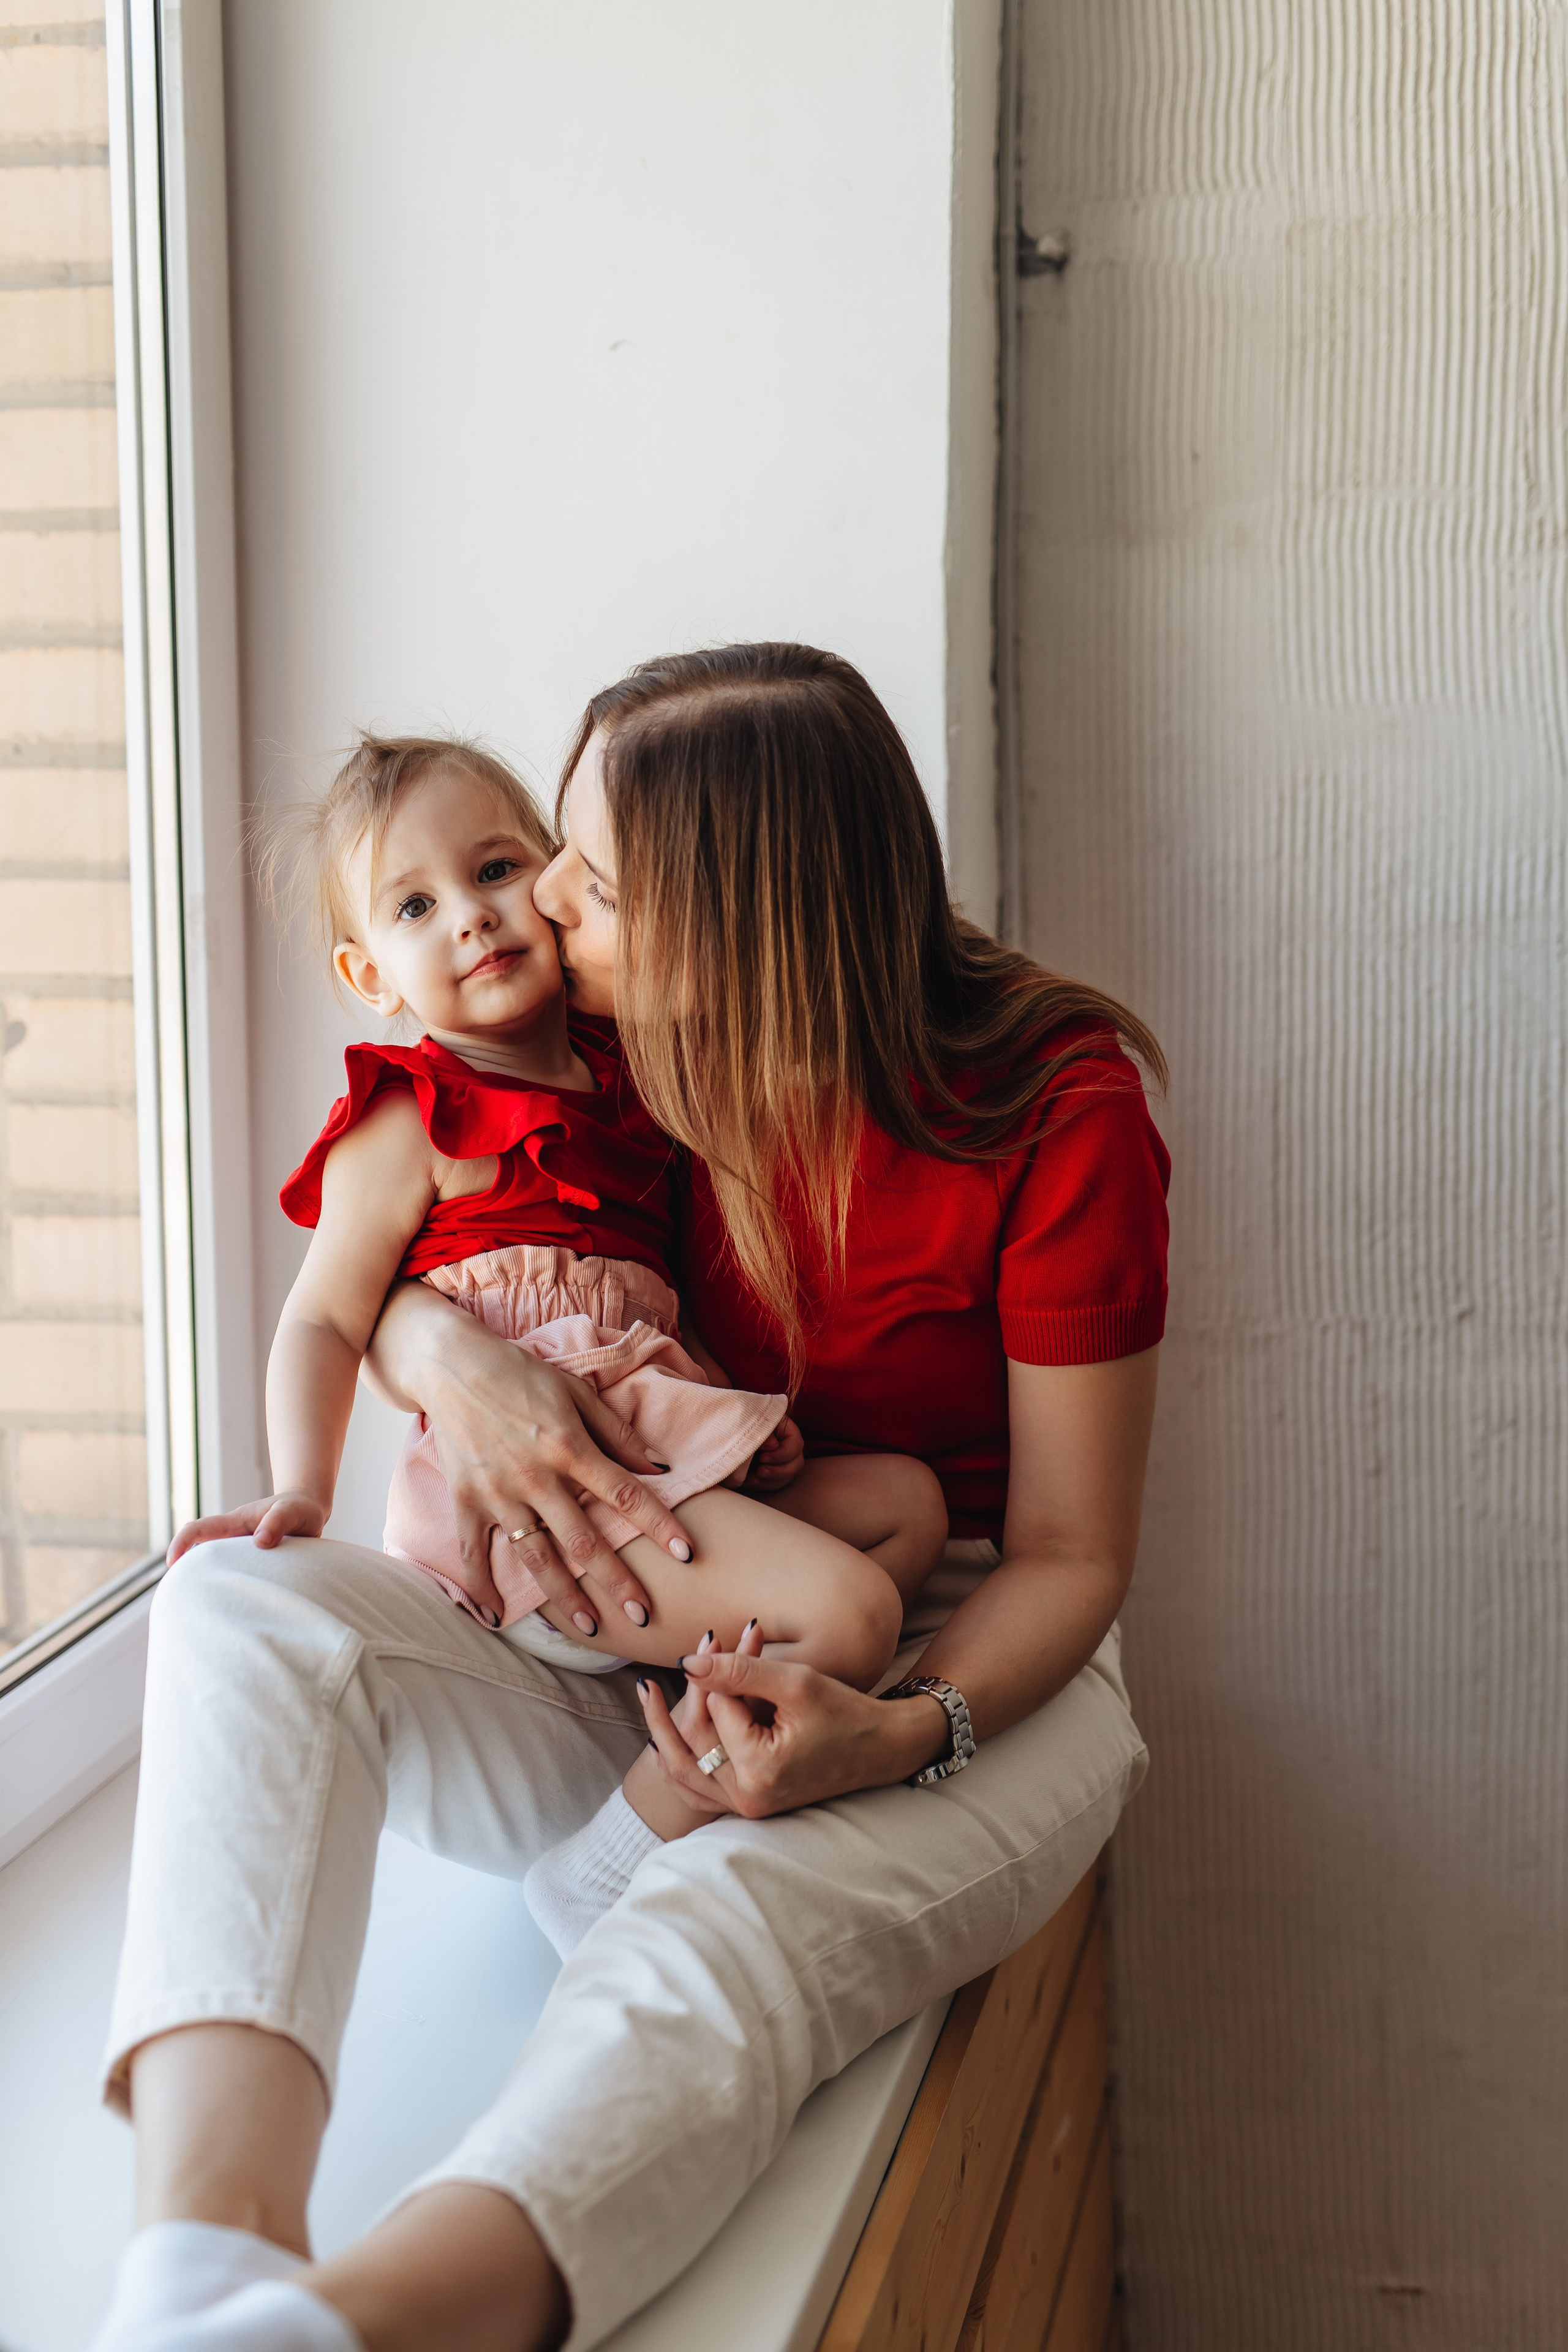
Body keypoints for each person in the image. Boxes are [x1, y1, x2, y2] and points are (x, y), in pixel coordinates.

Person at [92, 644, 1168, 2352]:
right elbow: (420, 1239)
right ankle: (197, 2261)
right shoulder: (610, 1047)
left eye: (580, 876)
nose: (544, 912)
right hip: (619, 1612)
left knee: (719, 1923)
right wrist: (446, 1358)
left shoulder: (1054, 1109)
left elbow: (1072, 1550)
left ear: (733, 921)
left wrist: (895, 1734)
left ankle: (342, 2336)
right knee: (236, 1607)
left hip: (956, 1643)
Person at [169, 731, 948, 1945]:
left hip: (649, 1452)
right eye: (415, 905)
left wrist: (732, 1432)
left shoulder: (628, 1074)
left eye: (493, 870)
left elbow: (648, 1300)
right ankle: (624, 1843)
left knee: (908, 1505)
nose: (471, 918)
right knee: (852, 1618)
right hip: (541, 1518)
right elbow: (327, 1314)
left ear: (554, 876)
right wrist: (302, 1489)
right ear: (370, 974)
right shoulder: (409, 1112)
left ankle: (710, 1690)